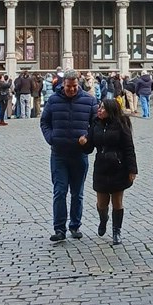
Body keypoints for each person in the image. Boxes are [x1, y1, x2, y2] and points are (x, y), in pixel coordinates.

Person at [40, 68, 98, 243]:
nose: (71, 89)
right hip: (59, 154)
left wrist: (88, 140)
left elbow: (96, 125)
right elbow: (44, 122)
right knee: (59, 191)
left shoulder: (89, 101)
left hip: (79, 154)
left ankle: (75, 225)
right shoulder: (53, 100)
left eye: (74, 86)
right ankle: (59, 228)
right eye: (68, 86)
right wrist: (51, 138)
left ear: (78, 84)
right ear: (63, 84)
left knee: (77, 193)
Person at [80, 93, 137, 245]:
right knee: (102, 203)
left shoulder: (121, 124)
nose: (99, 110)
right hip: (101, 167)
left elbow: (129, 148)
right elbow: (90, 148)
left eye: (103, 108)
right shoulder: (96, 123)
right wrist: (84, 143)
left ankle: (116, 230)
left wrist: (132, 170)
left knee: (117, 201)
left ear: (110, 110)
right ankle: (103, 219)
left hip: (119, 166)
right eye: (99, 107)